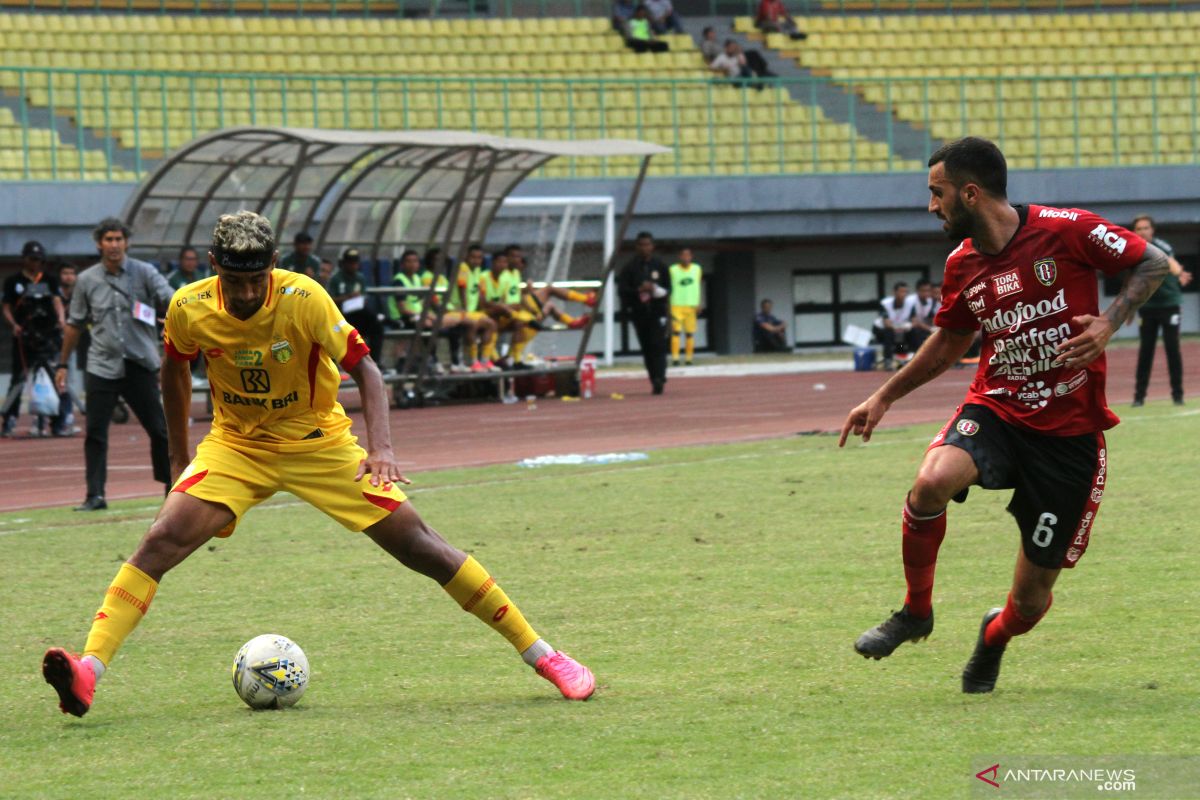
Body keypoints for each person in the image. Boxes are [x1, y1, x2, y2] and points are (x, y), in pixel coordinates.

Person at [40, 211, 595, 720]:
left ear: (273, 268)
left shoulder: (305, 299)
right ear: (214, 269)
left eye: (258, 281)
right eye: (235, 283)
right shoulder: (188, 306)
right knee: (159, 541)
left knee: (422, 546)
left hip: (318, 443)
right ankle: (89, 670)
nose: (248, 293)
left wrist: (381, 449)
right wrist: (180, 459)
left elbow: (368, 371)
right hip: (237, 446)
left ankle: (545, 655)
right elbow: (174, 374)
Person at [839, 137, 1168, 694]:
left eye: (937, 193)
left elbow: (1152, 262)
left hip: (1070, 437)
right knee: (929, 485)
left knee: (1030, 601)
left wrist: (1109, 322)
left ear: (970, 193)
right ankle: (917, 612)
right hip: (998, 409)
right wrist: (885, 397)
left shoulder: (1067, 229)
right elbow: (947, 347)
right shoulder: (962, 263)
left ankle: (994, 636)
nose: (931, 206)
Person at [56, 218, 174, 510]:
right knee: (95, 432)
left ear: (127, 242)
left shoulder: (144, 272)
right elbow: (74, 324)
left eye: (119, 239)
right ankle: (95, 495)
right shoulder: (86, 280)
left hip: (139, 363)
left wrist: (175, 317)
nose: (114, 245)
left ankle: (172, 489)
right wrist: (62, 364)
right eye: (108, 239)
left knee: (160, 430)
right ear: (99, 243)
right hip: (101, 365)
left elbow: (172, 299)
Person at [2, 240, 66, 437]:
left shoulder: (50, 279)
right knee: (18, 379)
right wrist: (14, 325)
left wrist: (61, 320)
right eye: (32, 259)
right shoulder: (13, 282)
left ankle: (58, 420)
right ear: (24, 259)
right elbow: (6, 307)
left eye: (39, 259)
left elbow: (57, 301)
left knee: (56, 377)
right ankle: (9, 418)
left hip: (48, 335)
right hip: (25, 337)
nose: (35, 263)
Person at [1130, 214, 1192, 407]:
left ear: (1152, 230)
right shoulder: (1132, 251)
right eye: (1139, 229)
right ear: (1134, 231)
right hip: (1147, 308)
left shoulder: (1161, 246)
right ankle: (1139, 398)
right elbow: (1132, 282)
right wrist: (1130, 309)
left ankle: (1178, 396)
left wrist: (1179, 272)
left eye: (1146, 228)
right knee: (1145, 352)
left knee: (1172, 350)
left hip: (1169, 306)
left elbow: (1170, 261)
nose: (1143, 231)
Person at [617, 231, 670, 394]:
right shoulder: (630, 268)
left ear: (652, 246)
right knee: (646, 346)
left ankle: (660, 377)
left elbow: (668, 290)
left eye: (647, 244)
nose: (644, 247)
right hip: (639, 313)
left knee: (658, 345)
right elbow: (622, 290)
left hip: (657, 312)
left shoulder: (660, 266)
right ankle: (653, 378)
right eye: (641, 244)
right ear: (636, 246)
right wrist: (638, 290)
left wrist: (654, 289)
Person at [327, 248, 383, 363]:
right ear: (344, 263)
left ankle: (375, 361)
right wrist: (348, 297)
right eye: (350, 262)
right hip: (341, 315)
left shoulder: (360, 278)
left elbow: (364, 297)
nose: (353, 265)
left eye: (355, 263)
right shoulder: (336, 278)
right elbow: (330, 299)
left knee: (377, 326)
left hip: (358, 313)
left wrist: (358, 299)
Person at [669, 248, 702, 366]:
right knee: (676, 332)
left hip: (691, 305)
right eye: (683, 255)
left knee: (689, 333)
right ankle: (675, 359)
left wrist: (698, 302)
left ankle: (689, 359)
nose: (686, 257)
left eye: (688, 255)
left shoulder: (697, 269)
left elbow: (697, 286)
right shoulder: (672, 270)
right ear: (679, 256)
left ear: (691, 257)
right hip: (676, 304)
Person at [873, 281, 916, 370]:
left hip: (901, 330)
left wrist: (908, 326)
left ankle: (913, 357)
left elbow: (914, 321)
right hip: (882, 330)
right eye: (901, 291)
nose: (903, 294)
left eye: (905, 292)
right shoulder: (885, 303)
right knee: (889, 333)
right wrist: (899, 328)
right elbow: (887, 323)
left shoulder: (910, 304)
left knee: (914, 332)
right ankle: (888, 360)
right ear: (894, 292)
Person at [907, 278, 937, 353]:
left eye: (928, 290)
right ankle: (917, 354)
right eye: (923, 291)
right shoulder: (910, 301)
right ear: (917, 291)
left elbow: (932, 317)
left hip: (923, 327)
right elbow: (915, 321)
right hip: (908, 328)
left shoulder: (931, 301)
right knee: (916, 331)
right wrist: (930, 329)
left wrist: (935, 328)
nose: (926, 293)